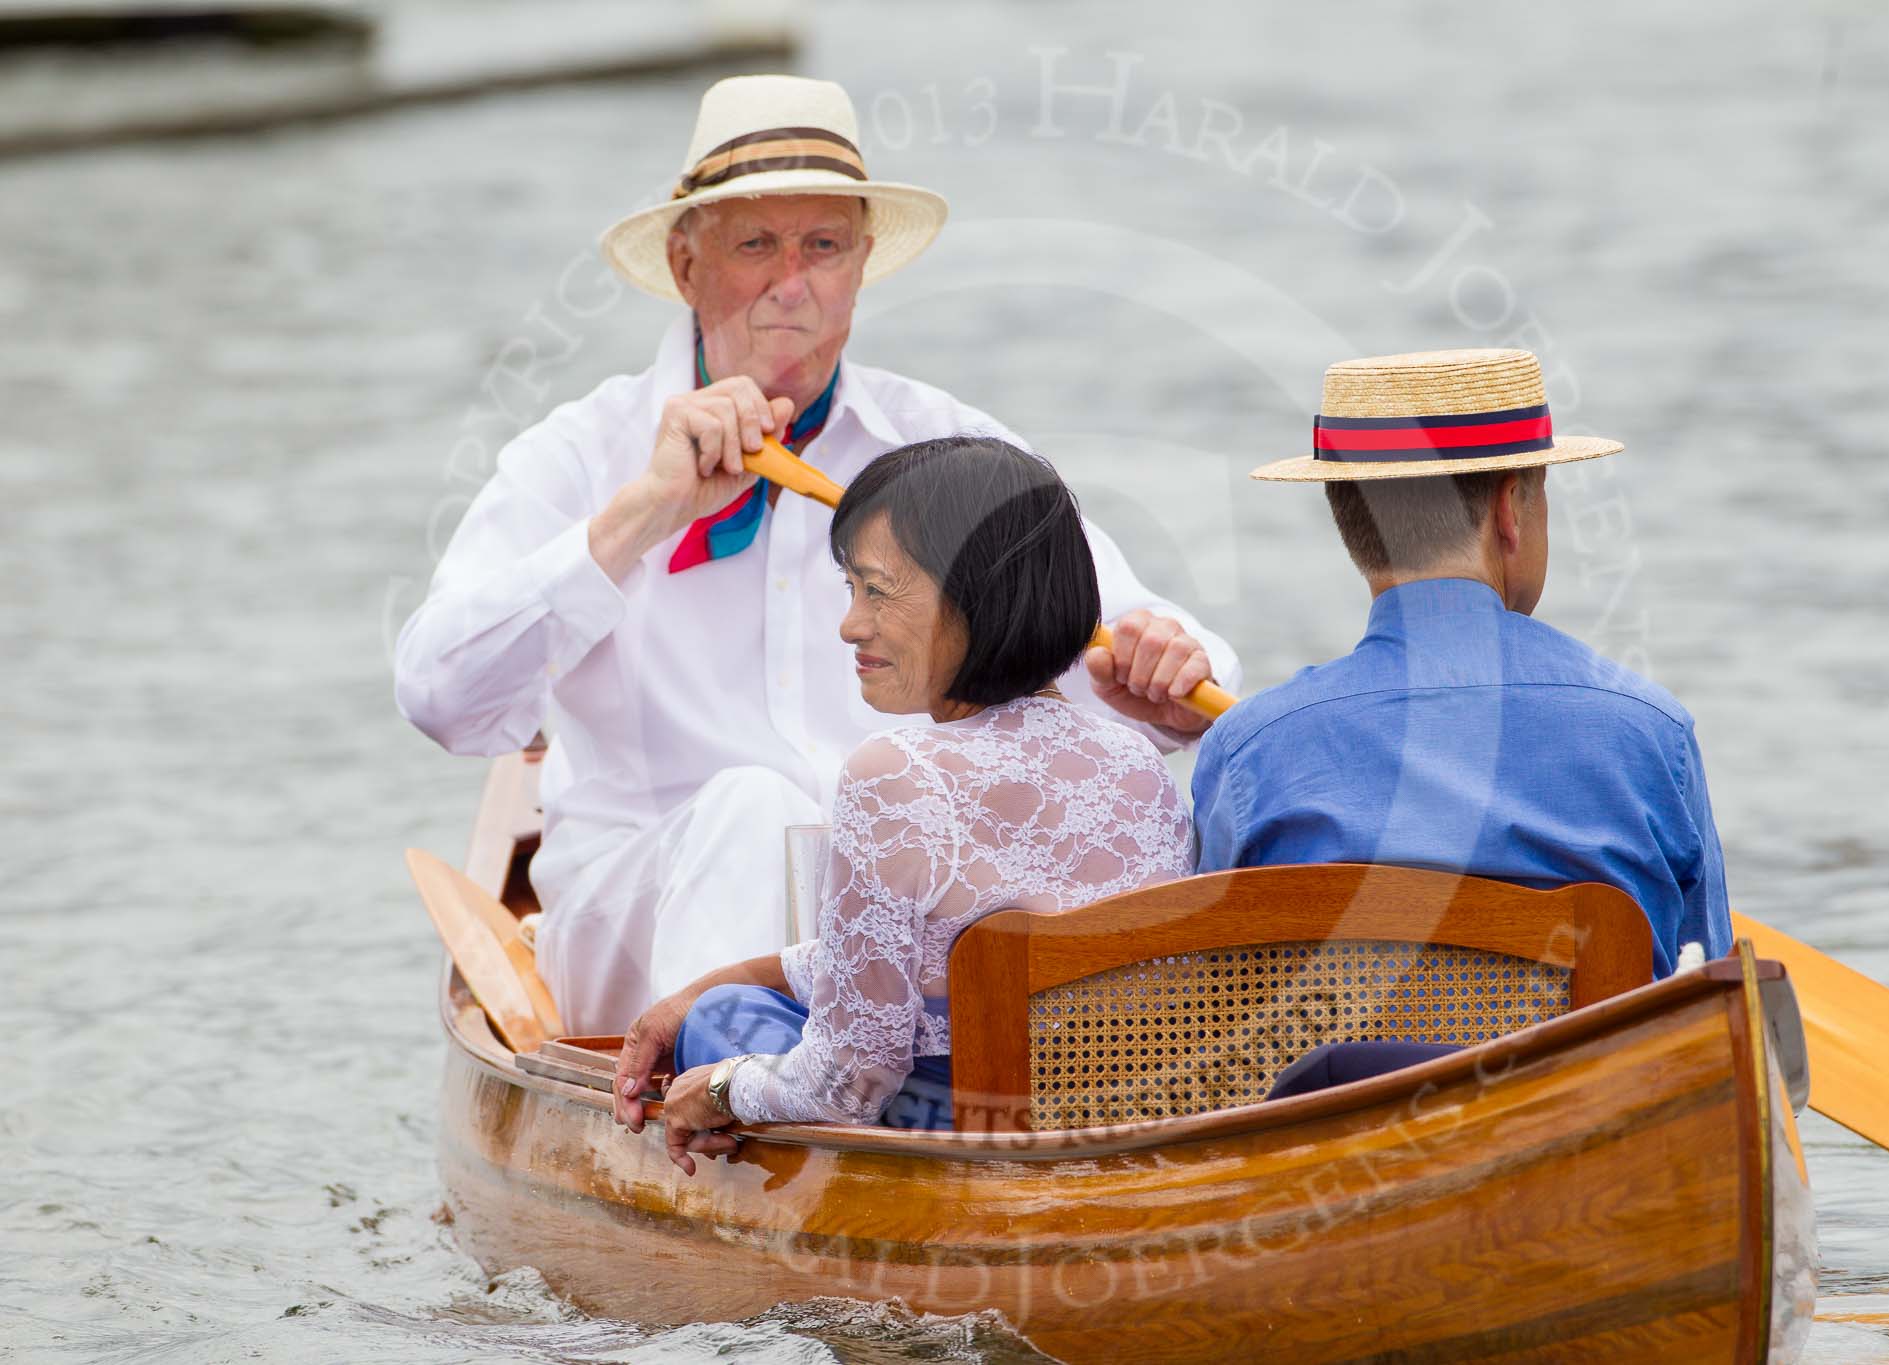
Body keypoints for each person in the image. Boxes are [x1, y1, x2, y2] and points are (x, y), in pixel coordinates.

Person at [393, 76, 1238, 1034]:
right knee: (753, 810)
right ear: (685, 263)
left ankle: (869, 1101)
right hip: (636, 916)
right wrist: (645, 511)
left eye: (823, 246)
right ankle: (731, 1093)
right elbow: (441, 699)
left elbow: (1166, 658)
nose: (791, 282)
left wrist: (1161, 672)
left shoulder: (947, 445)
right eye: (756, 244)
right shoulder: (583, 452)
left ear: (862, 263)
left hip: (893, 923)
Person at [610, 437, 1195, 1167]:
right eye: (851, 590)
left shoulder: (893, 771)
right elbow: (926, 951)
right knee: (718, 996)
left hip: (955, 1137)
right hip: (1115, 1124)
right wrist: (714, 977)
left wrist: (721, 1085)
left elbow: (850, 1081)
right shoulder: (1139, 761)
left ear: (974, 595)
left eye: (877, 590)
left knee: (722, 1020)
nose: (851, 624)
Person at [1192, 348, 1734, 1094]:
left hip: (1340, 1169)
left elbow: (1213, 1019)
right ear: (1512, 510)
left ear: (1352, 528)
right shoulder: (1648, 732)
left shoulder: (1248, 752)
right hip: (1595, 1141)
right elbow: (1706, 998)